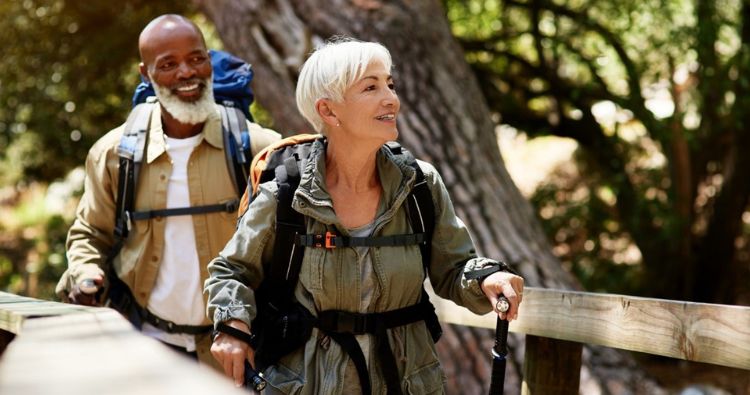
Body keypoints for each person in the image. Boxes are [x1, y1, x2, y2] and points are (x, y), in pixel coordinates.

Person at [205, 38, 524, 393]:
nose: (391, 99)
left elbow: (452, 269)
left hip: (407, 381)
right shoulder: (287, 192)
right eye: (370, 87)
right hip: (308, 383)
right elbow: (231, 270)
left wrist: (485, 279)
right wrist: (232, 324)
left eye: (390, 84)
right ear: (328, 111)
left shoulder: (419, 185)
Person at [55, 14, 280, 368]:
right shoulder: (115, 153)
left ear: (209, 61)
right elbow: (90, 234)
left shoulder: (258, 148)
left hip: (237, 350)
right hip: (146, 346)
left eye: (195, 59)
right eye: (168, 64)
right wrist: (87, 274)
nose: (186, 73)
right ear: (146, 74)